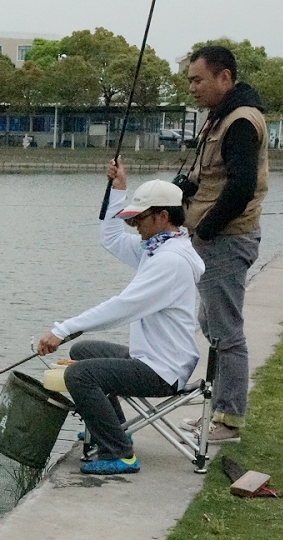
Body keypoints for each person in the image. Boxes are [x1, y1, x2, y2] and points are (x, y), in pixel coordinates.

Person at [37, 158, 205, 475]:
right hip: (152, 357)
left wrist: (63, 329)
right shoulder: (157, 247)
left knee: (80, 375)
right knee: (83, 352)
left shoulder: (169, 261)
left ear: (163, 216)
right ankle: (114, 429)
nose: (134, 225)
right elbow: (111, 237)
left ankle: (119, 452)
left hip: (162, 370)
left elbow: (122, 307)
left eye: (139, 219)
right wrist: (119, 190)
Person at [178, 45, 269, 443]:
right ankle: (216, 410)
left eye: (198, 80)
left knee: (226, 332)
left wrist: (204, 230)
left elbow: (241, 188)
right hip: (215, 242)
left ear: (224, 78)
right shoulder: (219, 119)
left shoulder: (241, 123)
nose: (192, 88)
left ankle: (228, 420)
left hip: (227, 242)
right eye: (190, 81)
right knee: (211, 323)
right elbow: (204, 179)